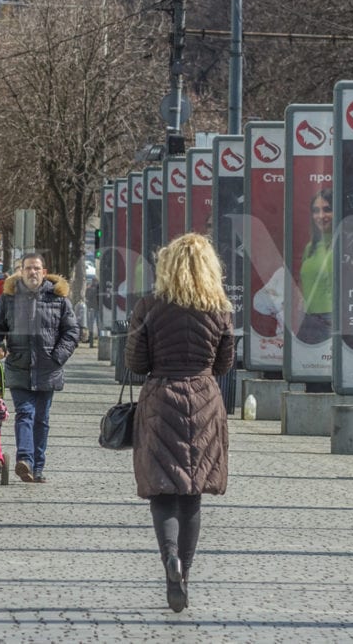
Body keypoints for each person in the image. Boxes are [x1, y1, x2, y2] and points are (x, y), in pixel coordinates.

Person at [124, 233, 235, 613]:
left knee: (162, 490)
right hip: (204, 400)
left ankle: (169, 558)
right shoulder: (218, 308)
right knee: (192, 493)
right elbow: (224, 364)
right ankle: (184, 573)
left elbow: (136, 364)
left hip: (161, 400)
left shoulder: (150, 306)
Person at [0, 253, 79, 484]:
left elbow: (72, 332)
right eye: (28, 268)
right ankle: (24, 460)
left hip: (48, 368)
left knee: (42, 419)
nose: (32, 272)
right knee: (25, 413)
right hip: (19, 365)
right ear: (21, 271)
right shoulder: (9, 298)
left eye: (36, 268)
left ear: (44, 272)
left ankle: (37, 468)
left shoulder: (58, 298)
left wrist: (58, 357)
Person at [296, 188, 333, 344]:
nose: (321, 216)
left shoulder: (346, 244)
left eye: (327, 210)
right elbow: (303, 283)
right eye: (316, 211)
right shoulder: (310, 247)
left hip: (331, 321)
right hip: (307, 322)